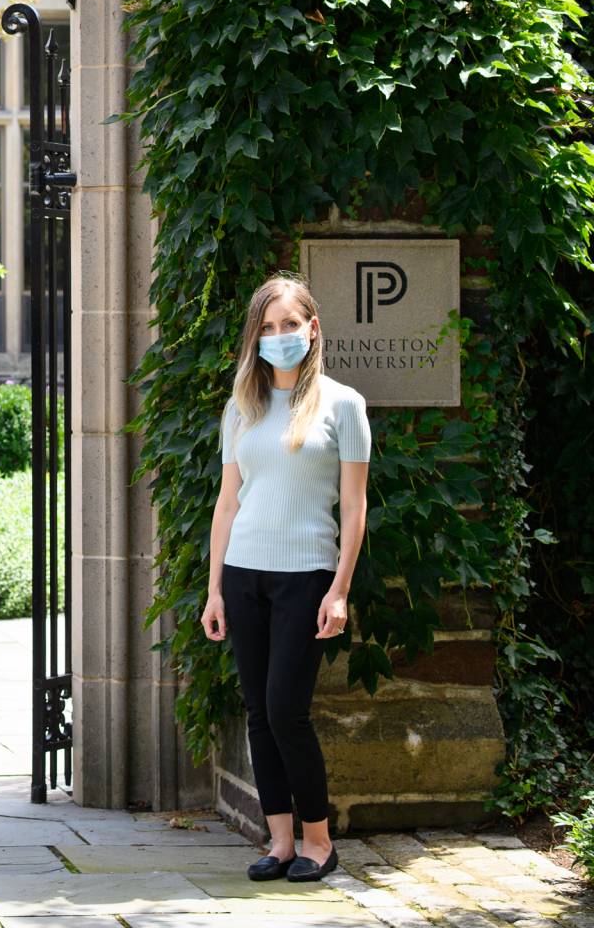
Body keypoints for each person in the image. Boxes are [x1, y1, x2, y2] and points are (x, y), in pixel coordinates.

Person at [200, 273, 371, 883]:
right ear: (256, 336)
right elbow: (227, 503)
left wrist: (340, 589)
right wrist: (215, 588)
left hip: (307, 578)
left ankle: (318, 841)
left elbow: (354, 507)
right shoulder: (240, 408)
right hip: (245, 575)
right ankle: (278, 840)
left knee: (285, 711)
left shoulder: (344, 405)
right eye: (268, 328)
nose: (279, 337)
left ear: (312, 328)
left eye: (289, 325)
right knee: (256, 710)